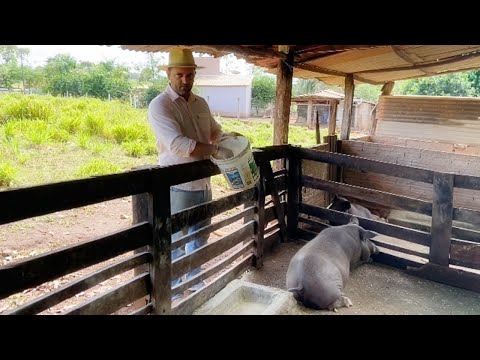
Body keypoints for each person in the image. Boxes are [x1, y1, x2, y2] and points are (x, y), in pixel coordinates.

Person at [147, 48, 238, 301]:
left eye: (190, 76)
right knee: (175, 241)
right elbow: (179, 145)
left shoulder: (200, 103)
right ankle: (175, 291)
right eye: (180, 75)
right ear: (168, 73)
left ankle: (196, 282)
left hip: (203, 184)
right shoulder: (160, 105)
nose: (185, 81)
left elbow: (214, 131)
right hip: (177, 187)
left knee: (200, 236)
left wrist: (229, 140)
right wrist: (217, 150)